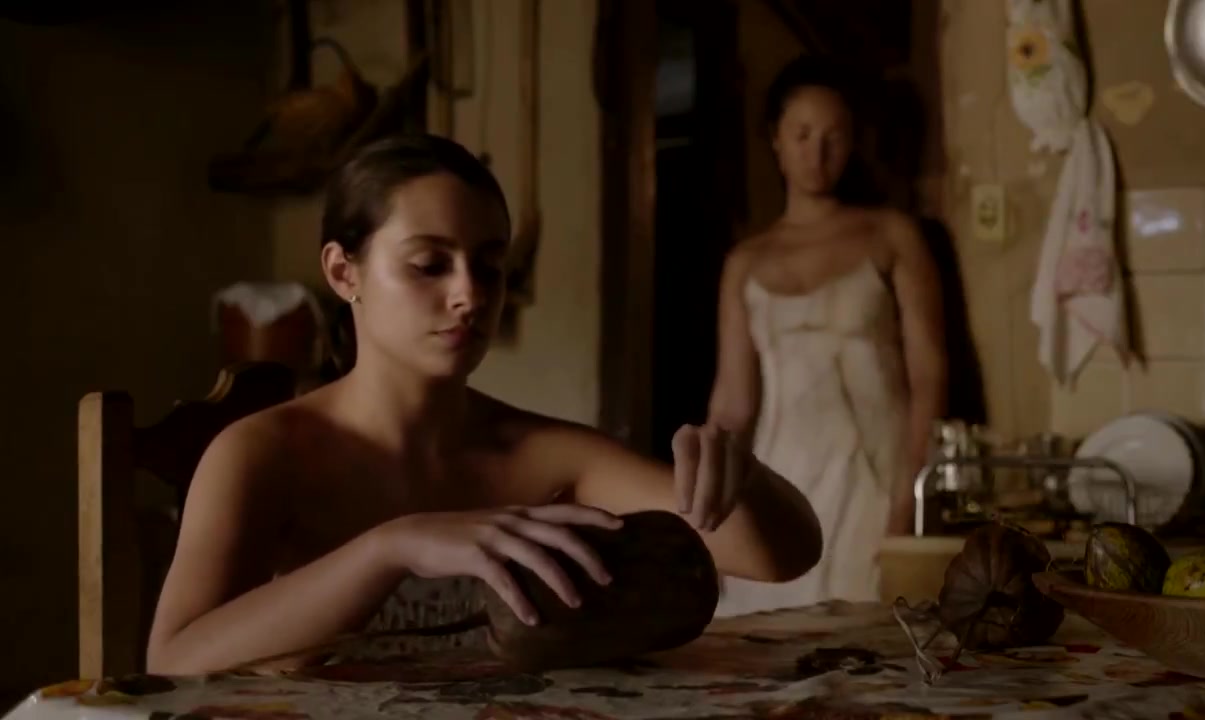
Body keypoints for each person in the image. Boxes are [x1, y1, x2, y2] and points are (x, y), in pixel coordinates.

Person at [145, 134, 823, 674]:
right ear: (343, 272)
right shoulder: (264, 452)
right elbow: (173, 659)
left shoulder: (544, 456)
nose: (469, 295)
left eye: (490, 267)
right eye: (429, 265)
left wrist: (744, 474)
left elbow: (781, 558)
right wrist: (390, 546)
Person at [705, 55, 948, 617]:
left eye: (833, 137)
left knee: (870, 636)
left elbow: (929, 378)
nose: (817, 154)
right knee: (768, 642)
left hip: (875, 478)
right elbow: (733, 404)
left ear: (853, 142)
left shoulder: (892, 234)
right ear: (776, 139)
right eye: (803, 135)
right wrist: (712, 512)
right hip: (781, 477)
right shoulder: (745, 262)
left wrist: (908, 503)